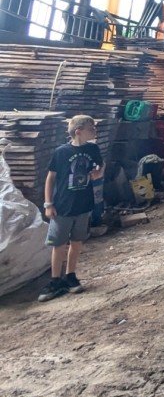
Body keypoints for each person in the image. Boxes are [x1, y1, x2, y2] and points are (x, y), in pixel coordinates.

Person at [38, 115, 104, 302]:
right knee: (58, 245)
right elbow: (51, 178)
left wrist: (99, 172)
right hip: (62, 207)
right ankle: (55, 280)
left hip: (83, 205)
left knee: (77, 242)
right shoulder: (61, 152)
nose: (95, 131)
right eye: (92, 128)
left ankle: (71, 276)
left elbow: (101, 166)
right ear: (78, 131)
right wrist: (48, 204)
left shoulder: (93, 148)